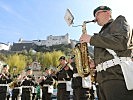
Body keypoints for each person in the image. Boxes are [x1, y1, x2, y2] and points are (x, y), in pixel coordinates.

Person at [80, 6, 133, 100]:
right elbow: (108, 54)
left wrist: (91, 39)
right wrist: (94, 63)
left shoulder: (119, 20)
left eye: (97, 14)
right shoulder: (101, 33)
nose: (95, 18)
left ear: (108, 12)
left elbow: (121, 43)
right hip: (102, 80)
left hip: (117, 76)